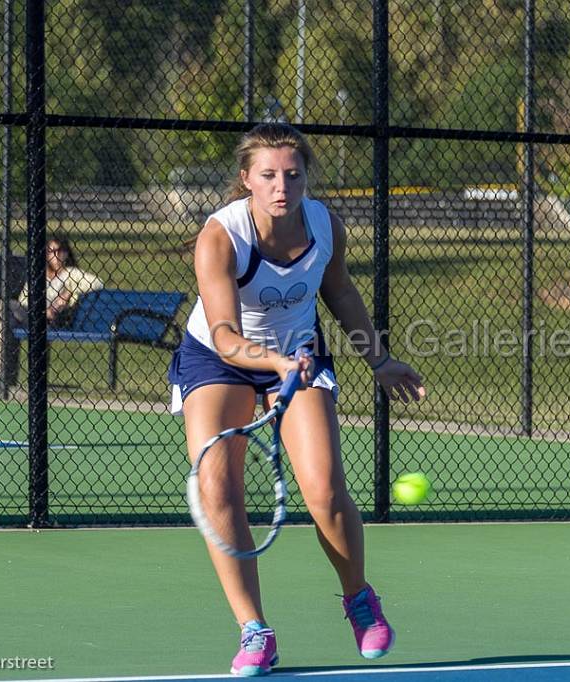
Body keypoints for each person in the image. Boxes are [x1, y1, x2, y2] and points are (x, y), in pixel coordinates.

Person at [168, 122, 425, 677]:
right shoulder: (221, 236)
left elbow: (339, 291)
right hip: (221, 356)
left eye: (292, 174)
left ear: (306, 177)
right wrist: (277, 362)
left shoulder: (325, 225)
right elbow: (225, 336)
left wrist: (379, 360)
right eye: (268, 175)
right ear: (246, 180)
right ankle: (254, 630)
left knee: (327, 491)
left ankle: (359, 598)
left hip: (299, 354)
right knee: (216, 485)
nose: (282, 186)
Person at [0, 235, 102, 387]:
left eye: (60, 251)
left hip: (51, 321)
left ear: (66, 253)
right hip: (31, 314)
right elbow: (24, 299)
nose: (56, 255)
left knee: (1, 306)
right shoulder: (40, 274)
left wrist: (70, 294)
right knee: (5, 320)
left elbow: (97, 283)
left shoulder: (71, 273)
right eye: (52, 251)